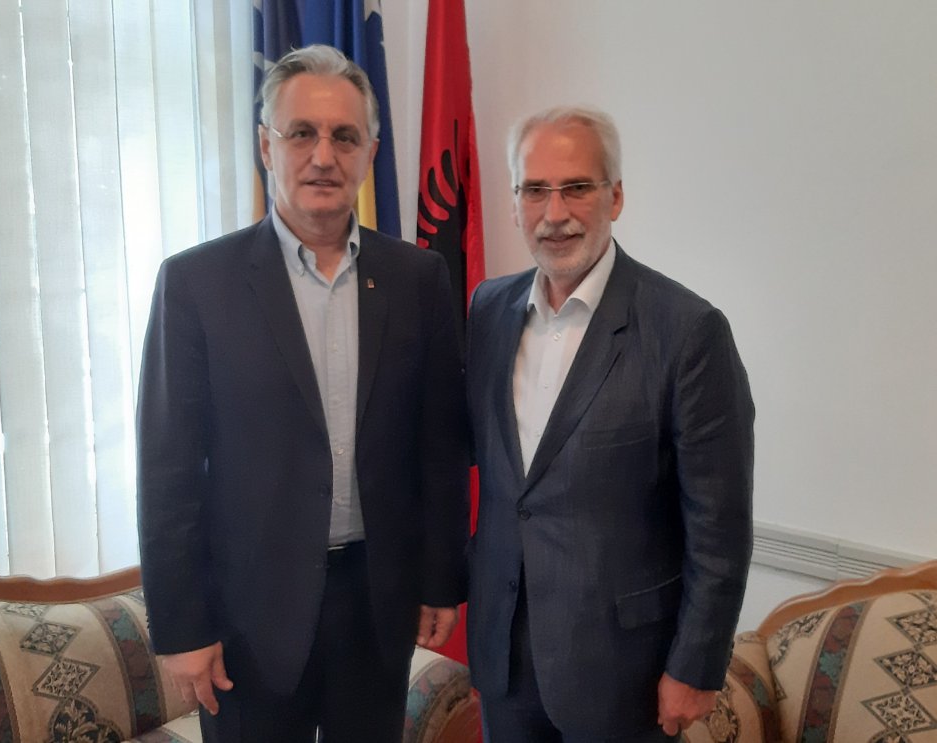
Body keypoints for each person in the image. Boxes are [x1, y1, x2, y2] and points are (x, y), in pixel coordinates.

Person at [136, 44, 469, 743]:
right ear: (267, 145)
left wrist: (442, 578)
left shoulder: (417, 279)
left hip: (377, 605)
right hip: (247, 619)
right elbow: (168, 472)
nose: (324, 156)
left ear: (369, 152)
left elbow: (438, 444)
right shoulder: (196, 285)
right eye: (301, 133)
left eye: (344, 136)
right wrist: (183, 627)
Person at [465, 106, 755, 742]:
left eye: (576, 187)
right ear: (514, 203)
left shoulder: (688, 331)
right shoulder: (487, 309)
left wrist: (696, 665)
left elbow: (720, 525)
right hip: (504, 659)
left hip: (624, 674)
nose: (555, 212)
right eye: (535, 190)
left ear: (615, 196)